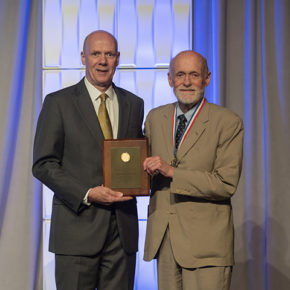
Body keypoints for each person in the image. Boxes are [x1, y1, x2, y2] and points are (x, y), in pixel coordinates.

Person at [33, 30, 144, 290]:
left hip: (122, 233)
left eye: (109, 54)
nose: (103, 60)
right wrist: (88, 193)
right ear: (84, 57)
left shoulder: (134, 104)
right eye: (96, 53)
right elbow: (43, 164)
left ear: (118, 59)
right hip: (76, 230)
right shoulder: (58, 103)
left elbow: (133, 156)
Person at [143, 50, 244, 290]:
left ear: (207, 78)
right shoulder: (155, 118)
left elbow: (225, 183)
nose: (186, 82)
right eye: (180, 75)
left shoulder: (227, 122)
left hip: (206, 246)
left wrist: (172, 172)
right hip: (164, 240)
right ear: (170, 79)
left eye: (194, 75)